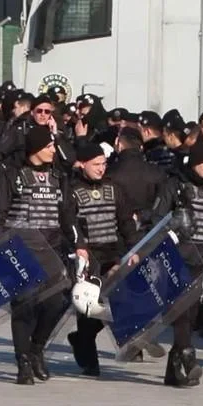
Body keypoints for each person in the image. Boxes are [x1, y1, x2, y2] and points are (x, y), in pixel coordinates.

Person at [0, 126, 77, 385]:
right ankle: (23, 362)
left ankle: (37, 348)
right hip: (20, 249)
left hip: (51, 250)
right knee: (24, 305)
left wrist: (78, 243)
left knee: (57, 302)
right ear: (36, 149)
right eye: (49, 146)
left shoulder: (58, 176)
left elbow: (67, 215)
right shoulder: (13, 175)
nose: (53, 150)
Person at [151, 140, 203, 386]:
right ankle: (187, 355)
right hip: (176, 257)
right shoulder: (174, 185)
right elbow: (157, 219)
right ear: (195, 162)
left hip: (202, 258)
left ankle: (173, 372)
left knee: (191, 312)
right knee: (181, 311)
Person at [66, 142, 141, 376]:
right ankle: (89, 359)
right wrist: (79, 249)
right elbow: (69, 223)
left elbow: (126, 221)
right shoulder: (71, 190)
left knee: (116, 306)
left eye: (104, 163)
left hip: (113, 253)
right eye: (96, 164)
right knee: (88, 309)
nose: (101, 168)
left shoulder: (114, 188)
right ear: (83, 164)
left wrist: (134, 247)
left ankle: (80, 339)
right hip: (88, 256)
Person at [107, 127, 167, 231]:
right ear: (141, 147)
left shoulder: (110, 173)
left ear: (119, 145)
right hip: (149, 231)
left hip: (119, 232)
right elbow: (163, 205)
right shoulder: (157, 172)